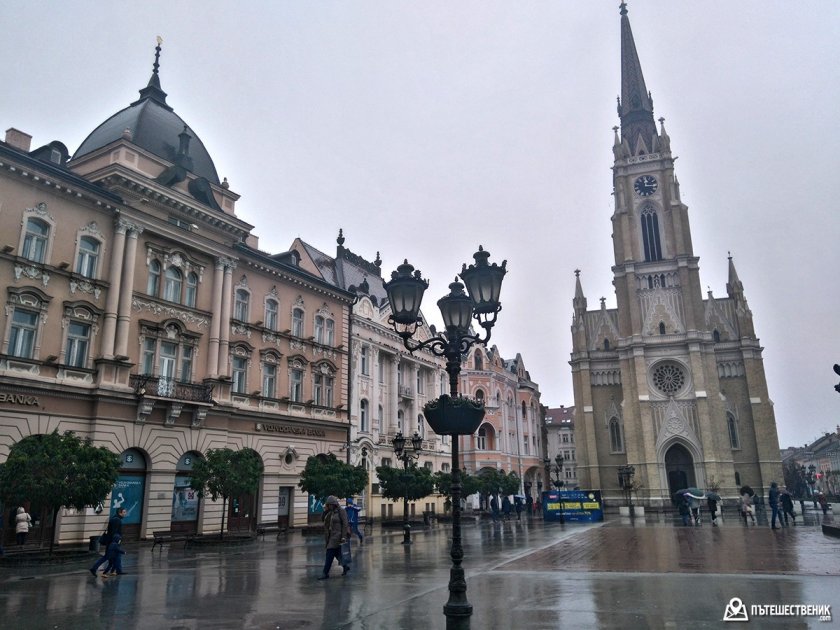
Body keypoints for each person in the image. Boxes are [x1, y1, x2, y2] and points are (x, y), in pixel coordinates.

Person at [318, 496, 349, 580]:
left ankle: (325, 573)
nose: (329, 506)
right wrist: (325, 511)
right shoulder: (329, 512)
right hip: (331, 536)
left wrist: (343, 537)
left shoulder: (341, 511)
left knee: (329, 553)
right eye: (328, 505)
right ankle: (345, 566)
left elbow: (345, 524)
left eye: (329, 505)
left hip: (338, 536)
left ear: (334, 504)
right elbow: (322, 519)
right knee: (337, 554)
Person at [90, 508, 126, 576]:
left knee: (117, 556)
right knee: (107, 557)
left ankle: (119, 570)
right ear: (120, 513)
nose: (125, 513)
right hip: (113, 542)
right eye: (124, 512)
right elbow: (114, 533)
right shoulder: (117, 520)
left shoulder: (114, 519)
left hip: (112, 542)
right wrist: (116, 541)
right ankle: (94, 568)